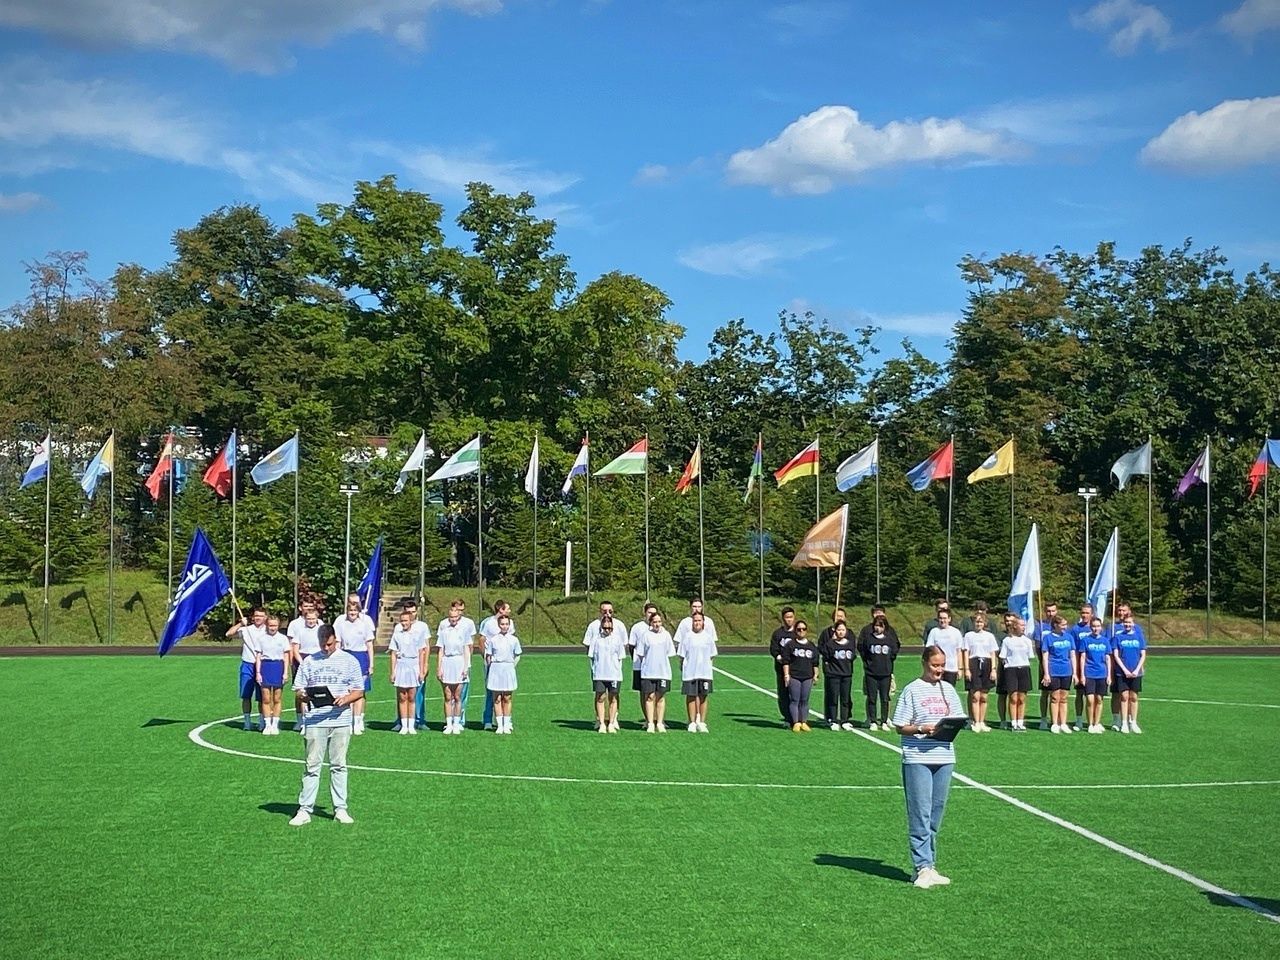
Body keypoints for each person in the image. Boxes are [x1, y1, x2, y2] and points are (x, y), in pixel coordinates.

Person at [892, 645, 966, 889]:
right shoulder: (912, 690)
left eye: (942, 665)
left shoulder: (948, 689)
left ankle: (930, 864)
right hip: (917, 757)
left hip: (944, 756)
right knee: (920, 812)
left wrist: (951, 726)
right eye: (935, 665)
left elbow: (957, 717)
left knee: (936, 812)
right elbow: (900, 725)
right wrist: (923, 729)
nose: (939, 670)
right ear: (925, 663)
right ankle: (921, 867)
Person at [290, 625, 364, 826]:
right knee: (312, 765)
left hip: (340, 720)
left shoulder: (349, 661)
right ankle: (305, 809)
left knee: (339, 765)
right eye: (323, 645)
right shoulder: (309, 661)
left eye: (329, 644)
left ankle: (340, 808)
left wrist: (346, 698)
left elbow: (359, 690)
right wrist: (304, 695)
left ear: (335, 639)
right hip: (315, 720)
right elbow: (298, 689)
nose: (326, 648)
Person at [333, 593, 376, 736]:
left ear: (358, 612)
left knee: (359, 691)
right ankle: (348, 720)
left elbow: (369, 645)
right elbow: (338, 643)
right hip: (346, 655)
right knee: (347, 691)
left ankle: (358, 721)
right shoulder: (341, 623)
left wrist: (371, 664)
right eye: (350, 611)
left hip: (361, 656)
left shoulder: (364, 624)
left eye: (354, 611)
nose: (352, 614)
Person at [436, 598, 475, 734]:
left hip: (459, 662)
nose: (453, 619)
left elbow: (466, 649)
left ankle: (457, 722)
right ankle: (448, 723)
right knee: (447, 696)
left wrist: (466, 667)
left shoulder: (463, 630)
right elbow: (441, 650)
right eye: (451, 617)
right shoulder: (444, 630)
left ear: (459, 617)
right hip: (447, 662)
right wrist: (439, 667)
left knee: (457, 696)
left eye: (455, 617)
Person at [388, 605, 428, 736]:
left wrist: (422, 671)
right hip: (401, 665)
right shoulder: (397, 635)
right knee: (402, 696)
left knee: (411, 696)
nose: (404, 623)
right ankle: (403, 725)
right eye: (402, 621)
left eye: (406, 621)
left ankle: (411, 725)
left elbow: (422, 652)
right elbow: (393, 653)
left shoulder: (417, 635)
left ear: (411, 621)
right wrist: (393, 671)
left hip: (413, 665)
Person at [857, 606, 899, 731]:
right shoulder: (868, 635)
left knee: (885, 698)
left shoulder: (890, 637)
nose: (877, 628)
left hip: (886, 673)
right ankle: (872, 720)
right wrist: (868, 662)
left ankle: (885, 720)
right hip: (871, 672)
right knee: (871, 697)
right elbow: (863, 649)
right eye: (876, 625)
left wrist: (889, 661)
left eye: (880, 626)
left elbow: (894, 650)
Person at [226, 606, 267, 731]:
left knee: (262, 697)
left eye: (261, 616)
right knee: (246, 695)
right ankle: (247, 722)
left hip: (263, 665)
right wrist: (240, 623)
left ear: (265, 618)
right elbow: (228, 634)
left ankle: (261, 722)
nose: (258, 618)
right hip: (247, 664)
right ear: (253, 617)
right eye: (256, 616)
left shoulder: (268, 630)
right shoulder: (246, 629)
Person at [635, 611, 675, 733]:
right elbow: (641, 654)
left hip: (663, 672)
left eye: (659, 621)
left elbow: (670, 652)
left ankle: (660, 723)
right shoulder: (645, 635)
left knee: (660, 697)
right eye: (654, 622)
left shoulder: (666, 635)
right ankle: (650, 723)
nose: (657, 624)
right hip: (648, 672)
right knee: (649, 697)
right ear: (650, 623)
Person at [588, 610, 628, 733]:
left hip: (614, 674)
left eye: (609, 628)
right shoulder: (596, 639)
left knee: (613, 698)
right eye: (605, 628)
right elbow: (592, 656)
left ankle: (611, 722)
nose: (607, 630)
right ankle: (601, 723)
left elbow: (621, 657)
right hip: (600, 674)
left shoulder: (617, 639)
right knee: (600, 698)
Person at [478, 599, 515, 730]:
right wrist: (486, 659)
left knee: (506, 693)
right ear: (501, 609)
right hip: (492, 662)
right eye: (507, 608)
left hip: (505, 664)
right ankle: (488, 719)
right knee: (491, 691)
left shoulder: (510, 623)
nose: (510, 611)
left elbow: (511, 641)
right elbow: (482, 640)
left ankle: (506, 721)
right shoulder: (488, 623)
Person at [678, 610, 718, 733]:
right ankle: (692, 721)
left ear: (703, 622)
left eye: (699, 620)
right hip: (690, 672)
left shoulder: (708, 637)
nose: (697, 623)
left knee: (703, 697)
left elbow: (712, 654)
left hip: (704, 672)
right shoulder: (687, 637)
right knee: (691, 696)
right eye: (695, 620)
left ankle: (701, 721)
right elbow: (681, 655)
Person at [287, 602, 323, 733]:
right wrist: (302, 663)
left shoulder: (321, 628)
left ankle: (317, 719)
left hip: (318, 662)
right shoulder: (300, 630)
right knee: (301, 692)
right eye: (309, 619)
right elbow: (295, 649)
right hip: (302, 661)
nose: (311, 621)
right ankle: (301, 721)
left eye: (314, 619)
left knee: (317, 691)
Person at [1041, 615, 1079, 734]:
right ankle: (1054, 723)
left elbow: (1072, 655)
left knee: (1063, 698)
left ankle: (1063, 723)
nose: (1065, 627)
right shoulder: (1048, 638)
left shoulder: (1069, 637)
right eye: (1063, 625)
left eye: (1066, 625)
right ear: (1055, 625)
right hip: (1054, 670)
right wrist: (1046, 674)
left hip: (1066, 671)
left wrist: (1074, 673)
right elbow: (1045, 657)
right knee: (1054, 697)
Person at [254, 614, 291, 735]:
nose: (273, 628)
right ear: (267, 625)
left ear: (278, 625)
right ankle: (267, 724)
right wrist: (258, 672)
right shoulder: (261, 638)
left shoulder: (283, 639)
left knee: (277, 698)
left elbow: (286, 656)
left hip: (278, 666)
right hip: (266, 666)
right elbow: (258, 656)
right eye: (270, 625)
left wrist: (285, 672)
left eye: (275, 625)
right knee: (265, 698)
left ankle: (275, 724)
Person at [484, 613, 522, 734]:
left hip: (508, 668)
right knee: (497, 698)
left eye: (506, 624)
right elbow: (488, 656)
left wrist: (511, 666)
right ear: (499, 625)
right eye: (502, 624)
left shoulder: (514, 640)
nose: (504, 626)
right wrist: (492, 668)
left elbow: (517, 655)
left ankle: (507, 724)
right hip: (496, 668)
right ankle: (499, 725)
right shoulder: (493, 640)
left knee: (507, 697)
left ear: (509, 625)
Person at [961, 612, 998, 732]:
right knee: (975, 695)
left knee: (984, 696)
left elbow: (993, 653)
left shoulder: (989, 636)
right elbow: (966, 652)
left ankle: (982, 721)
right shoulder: (968, 636)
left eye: (981, 622)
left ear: (984, 623)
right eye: (977, 621)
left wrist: (993, 669)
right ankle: (975, 721)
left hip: (986, 664)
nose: (979, 624)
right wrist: (966, 669)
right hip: (973, 663)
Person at [1112, 609, 1148, 734]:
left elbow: (1143, 654)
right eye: (1125, 623)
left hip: (1136, 672)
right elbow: (1116, 655)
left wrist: (1137, 669)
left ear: (1133, 624)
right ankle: (1124, 723)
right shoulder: (1118, 636)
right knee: (1124, 696)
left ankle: (1133, 722)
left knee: (1133, 697)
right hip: (1122, 672)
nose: (1127, 625)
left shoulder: (1139, 636)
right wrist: (1125, 670)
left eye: (1129, 623)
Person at [781, 619, 820, 732]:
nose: (801, 631)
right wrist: (786, 675)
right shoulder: (791, 645)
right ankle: (796, 722)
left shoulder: (811, 646)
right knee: (795, 700)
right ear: (795, 631)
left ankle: (804, 722)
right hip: (795, 676)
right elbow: (786, 661)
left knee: (805, 700)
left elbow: (815, 662)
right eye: (799, 629)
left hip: (807, 676)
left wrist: (816, 675)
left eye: (803, 629)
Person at [1076, 617, 1113, 734]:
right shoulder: (1085, 640)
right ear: (1090, 627)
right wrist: (1082, 675)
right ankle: (1090, 723)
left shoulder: (1105, 641)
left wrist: (1109, 675)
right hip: (1089, 673)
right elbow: (1082, 658)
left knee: (1099, 699)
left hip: (1102, 674)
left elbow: (1108, 658)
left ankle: (1097, 723)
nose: (1096, 628)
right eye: (1093, 626)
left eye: (1098, 626)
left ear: (1101, 627)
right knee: (1090, 700)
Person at [819, 619, 856, 731]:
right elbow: (825, 654)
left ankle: (844, 720)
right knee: (833, 698)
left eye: (843, 630)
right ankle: (833, 719)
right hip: (834, 675)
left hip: (846, 675)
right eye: (839, 630)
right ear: (835, 631)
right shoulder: (831, 644)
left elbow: (852, 656)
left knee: (845, 698)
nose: (841, 632)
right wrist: (831, 641)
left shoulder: (849, 644)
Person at [998, 618, 1034, 731]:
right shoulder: (1007, 640)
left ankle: (1020, 721)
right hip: (1011, 670)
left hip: (1024, 669)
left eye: (1024, 625)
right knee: (1013, 697)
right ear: (1015, 626)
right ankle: (1013, 722)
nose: (1023, 627)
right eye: (1021, 625)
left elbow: (1030, 656)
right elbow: (1003, 656)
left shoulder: (1027, 641)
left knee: (1022, 698)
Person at [627, 603, 657, 723]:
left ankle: (658, 719)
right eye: (649, 612)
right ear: (644, 613)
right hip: (640, 666)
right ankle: (647, 719)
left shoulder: (658, 628)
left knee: (657, 693)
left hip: (655, 667)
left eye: (654, 612)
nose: (651, 615)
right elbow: (631, 646)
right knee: (643, 692)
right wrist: (637, 660)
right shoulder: (637, 627)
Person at [1032, 601, 1059, 730]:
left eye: (1053, 611)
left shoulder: (1061, 626)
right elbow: (1038, 646)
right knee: (1045, 693)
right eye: (1048, 611)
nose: (1051, 613)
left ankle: (1058, 719)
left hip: (1059, 665)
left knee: (1058, 694)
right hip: (1045, 665)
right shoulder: (1040, 626)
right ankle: (1043, 718)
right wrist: (1043, 663)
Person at [1069, 603, 1095, 731]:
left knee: (1094, 696)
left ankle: (1095, 721)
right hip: (1080, 666)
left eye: (1087, 613)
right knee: (1080, 694)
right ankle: (1079, 720)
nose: (1084, 615)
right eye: (1083, 613)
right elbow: (1073, 649)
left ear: (1092, 614)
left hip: (1094, 667)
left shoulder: (1096, 628)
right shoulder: (1075, 629)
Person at [770, 607, 797, 725]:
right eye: (787, 617)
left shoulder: (798, 632)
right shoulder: (778, 634)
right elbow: (774, 649)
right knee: (784, 693)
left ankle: (797, 718)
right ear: (783, 619)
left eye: (791, 617)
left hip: (796, 669)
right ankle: (787, 717)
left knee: (796, 694)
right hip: (781, 669)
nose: (789, 620)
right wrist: (779, 657)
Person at [924, 609, 963, 684]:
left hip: (951, 668)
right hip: (937, 668)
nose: (942, 620)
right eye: (940, 618)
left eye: (944, 618)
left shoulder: (956, 632)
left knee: (948, 692)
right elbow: (929, 651)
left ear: (949, 619)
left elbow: (959, 652)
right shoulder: (934, 632)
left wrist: (960, 669)